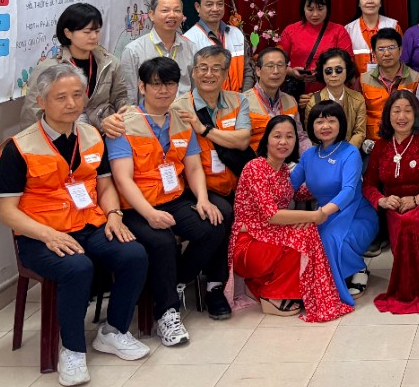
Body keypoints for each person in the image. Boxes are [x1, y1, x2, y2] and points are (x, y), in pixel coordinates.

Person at [0, 63, 149, 387]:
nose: (71, 103)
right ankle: (73, 349)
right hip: (40, 235)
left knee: (134, 254)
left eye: (77, 95)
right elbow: (7, 212)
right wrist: (47, 234)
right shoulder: (19, 147)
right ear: (42, 102)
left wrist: (114, 215)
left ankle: (113, 331)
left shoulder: (92, 135)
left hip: (88, 224)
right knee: (77, 267)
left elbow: (105, 186)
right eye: (61, 97)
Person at [110, 58, 233, 344]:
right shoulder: (123, 124)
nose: (163, 90)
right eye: (156, 84)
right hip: (137, 206)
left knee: (214, 223)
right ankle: (167, 313)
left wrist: (202, 199)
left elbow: (193, 167)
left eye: (169, 84)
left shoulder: (181, 119)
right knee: (162, 241)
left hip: (174, 198)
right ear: (142, 87)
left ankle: (177, 279)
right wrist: (149, 213)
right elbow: (123, 179)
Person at [230, 115, 349, 320]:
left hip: (267, 239)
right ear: (267, 139)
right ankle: (271, 295)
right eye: (277, 136)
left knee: (306, 232)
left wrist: (331, 182)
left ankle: (275, 288)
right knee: (303, 235)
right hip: (248, 243)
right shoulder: (255, 168)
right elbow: (272, 215)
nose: (283, 142)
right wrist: (314, 215)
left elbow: (299, 193)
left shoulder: (284, 170)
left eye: (289, 136)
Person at [362, 91, 419, 314]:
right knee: (402, 226)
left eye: (407, 110)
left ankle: (409, 291)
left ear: (416, 114)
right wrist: (382, 200)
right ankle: (406, 285)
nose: (401, 116)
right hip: (393, 205)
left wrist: (417, 199)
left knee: (409, 224)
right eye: (396, 111)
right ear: (388, 115)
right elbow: (368, 185)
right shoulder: (381, 145)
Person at [291, 100, 380, 301]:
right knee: (307, 240)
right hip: (323, 214)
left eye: (331, 121)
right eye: (319, 122)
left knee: (329, 239)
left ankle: (358, 268)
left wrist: (322, 213)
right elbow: (291, 185)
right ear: (311, 126)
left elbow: (348, 191)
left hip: (357, 214)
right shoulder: (309, 155)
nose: (325, 126)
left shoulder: (350, 152)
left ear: (341, 124)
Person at [25, 2, 132, 135]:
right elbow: (33, 111)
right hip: (63, 135)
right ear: (68, 33)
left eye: (97, 31)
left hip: (104, 132)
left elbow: (120, 97)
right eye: (87, 32)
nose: (94, 36)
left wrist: (125, 112)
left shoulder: (110, 63)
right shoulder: (48, 68)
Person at [171, 46, 252, 204]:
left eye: (216, 69)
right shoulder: (178, 108)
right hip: (200, 187)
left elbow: (243, 141)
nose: (209, 74)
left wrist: (204, 130)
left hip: (238, 181)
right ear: (194, 72)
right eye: (203, 68)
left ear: (226, 74)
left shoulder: (238, 100)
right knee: (222, 213)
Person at [278, 0, 352, 105]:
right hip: (297, 93)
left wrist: (322, 73)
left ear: (328, 8)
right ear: (303, 8)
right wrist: (291, 72)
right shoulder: (290, 31)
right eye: (310, 9)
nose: (315, 14)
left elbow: (348, 64)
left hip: (330, 96)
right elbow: (277, 62)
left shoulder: (339, 31)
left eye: (320, 9)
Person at [118, 0, 196, 99]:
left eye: (177, 10)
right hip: (149, 109)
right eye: (165, 10)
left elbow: (196, 89)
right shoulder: (133, 51)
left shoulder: (191, 48)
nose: (172, 15)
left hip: (184, 109)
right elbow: (129, 95)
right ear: (151, 15)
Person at [184, 0, 255, 92]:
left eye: (220, 4)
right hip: (207, 100)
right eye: (209, 4)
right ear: (198, 7)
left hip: (239, 99)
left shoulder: (236, 34)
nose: (215, 9)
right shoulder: (188, 40)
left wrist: (244, 98)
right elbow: (188, 81)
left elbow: (248, 71)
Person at [360, 28, 419, 149]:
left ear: (400, 50)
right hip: (374, 143)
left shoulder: (417, 78)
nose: (387, 53)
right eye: (381, 49)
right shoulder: (363, 80)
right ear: (374, 53)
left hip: (407, 142)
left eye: (391, 48)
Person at [305, 47, 366, 151]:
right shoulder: (314, 101)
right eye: (328, 71)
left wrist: (346, 153)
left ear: (347, 70)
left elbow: (359, 132)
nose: (334, 74)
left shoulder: (358, 99)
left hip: (350, 152)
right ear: (322, 72)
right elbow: (311, 134)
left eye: (338, 70)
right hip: (323, 153)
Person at [247, 46, 300, 152]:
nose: (276, 71)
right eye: (270, 66)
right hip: (254, 160)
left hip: (286, 159)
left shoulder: (291, 101)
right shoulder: (242, 102)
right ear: (258, 70)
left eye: (280, 66)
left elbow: (300, 136)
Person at [345, 0, 401, 74]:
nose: (370, 1)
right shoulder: (349, 29)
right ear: (359, 2)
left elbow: (400, 56)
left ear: (381, 2)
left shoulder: (393, 26)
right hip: (358, 81)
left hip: (389, 79)